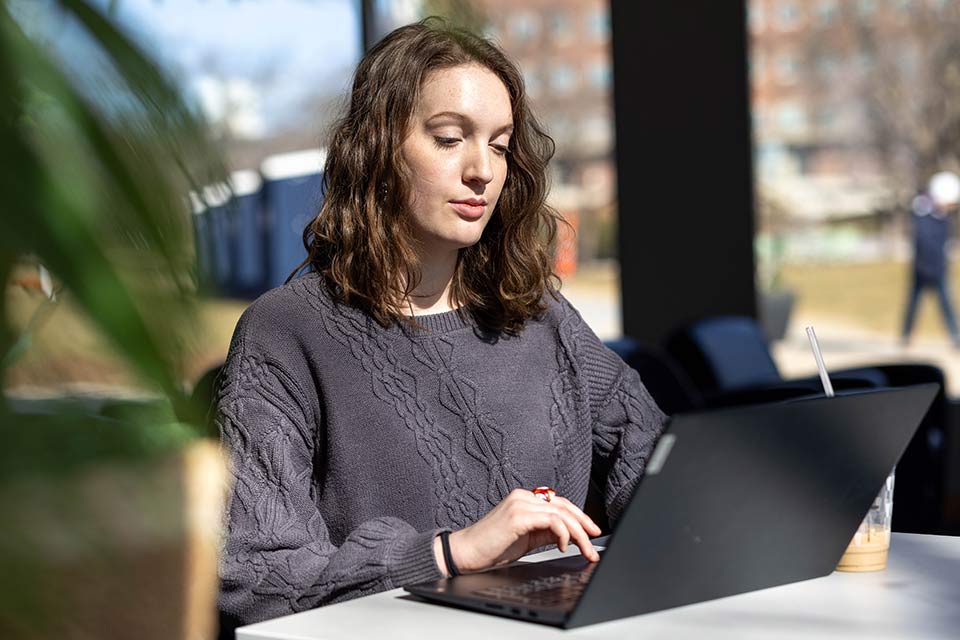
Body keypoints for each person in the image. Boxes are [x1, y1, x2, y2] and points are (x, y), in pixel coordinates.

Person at [215, 19, 667, 628]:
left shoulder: (541, 317)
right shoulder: (287, 334)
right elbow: (255, 578)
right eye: (450, 139)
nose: (482, 170)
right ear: (376, 148)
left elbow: (657, 463)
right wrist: (450, 552)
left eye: (501, 145)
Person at [901, 170, 960, 348]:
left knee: (946, 304)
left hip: (939, 267)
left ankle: (955, 336)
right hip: (924, 267)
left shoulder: (940, 215)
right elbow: (925, 243)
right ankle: (905, 336)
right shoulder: (924, 213)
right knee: (914, 303)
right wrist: (929, 268)